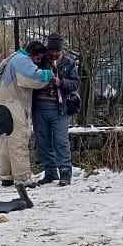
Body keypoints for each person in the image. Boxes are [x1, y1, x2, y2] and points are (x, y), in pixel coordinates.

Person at [0, 41, 54, 190]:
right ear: (33, 54)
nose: (38, 63)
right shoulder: (23, 61)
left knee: (5, 141)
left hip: (3, 104)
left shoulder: (14, 57)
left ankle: (6, 176)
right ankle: (22, 178)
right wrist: (49, 74)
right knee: (18, 140)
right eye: (38, 59)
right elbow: (33, 77)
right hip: (13, 104)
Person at [33, 33, 81, 186]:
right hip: (39, 108)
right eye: (51, 51)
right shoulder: (40, 61)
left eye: (56, 51)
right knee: (43, 142)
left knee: (61, 142)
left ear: (61, 51)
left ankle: (65, 173)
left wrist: (61, 82)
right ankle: (50, 173)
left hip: (60, 108)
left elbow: (75, 84)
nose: (53, 54)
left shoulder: (69, 62)